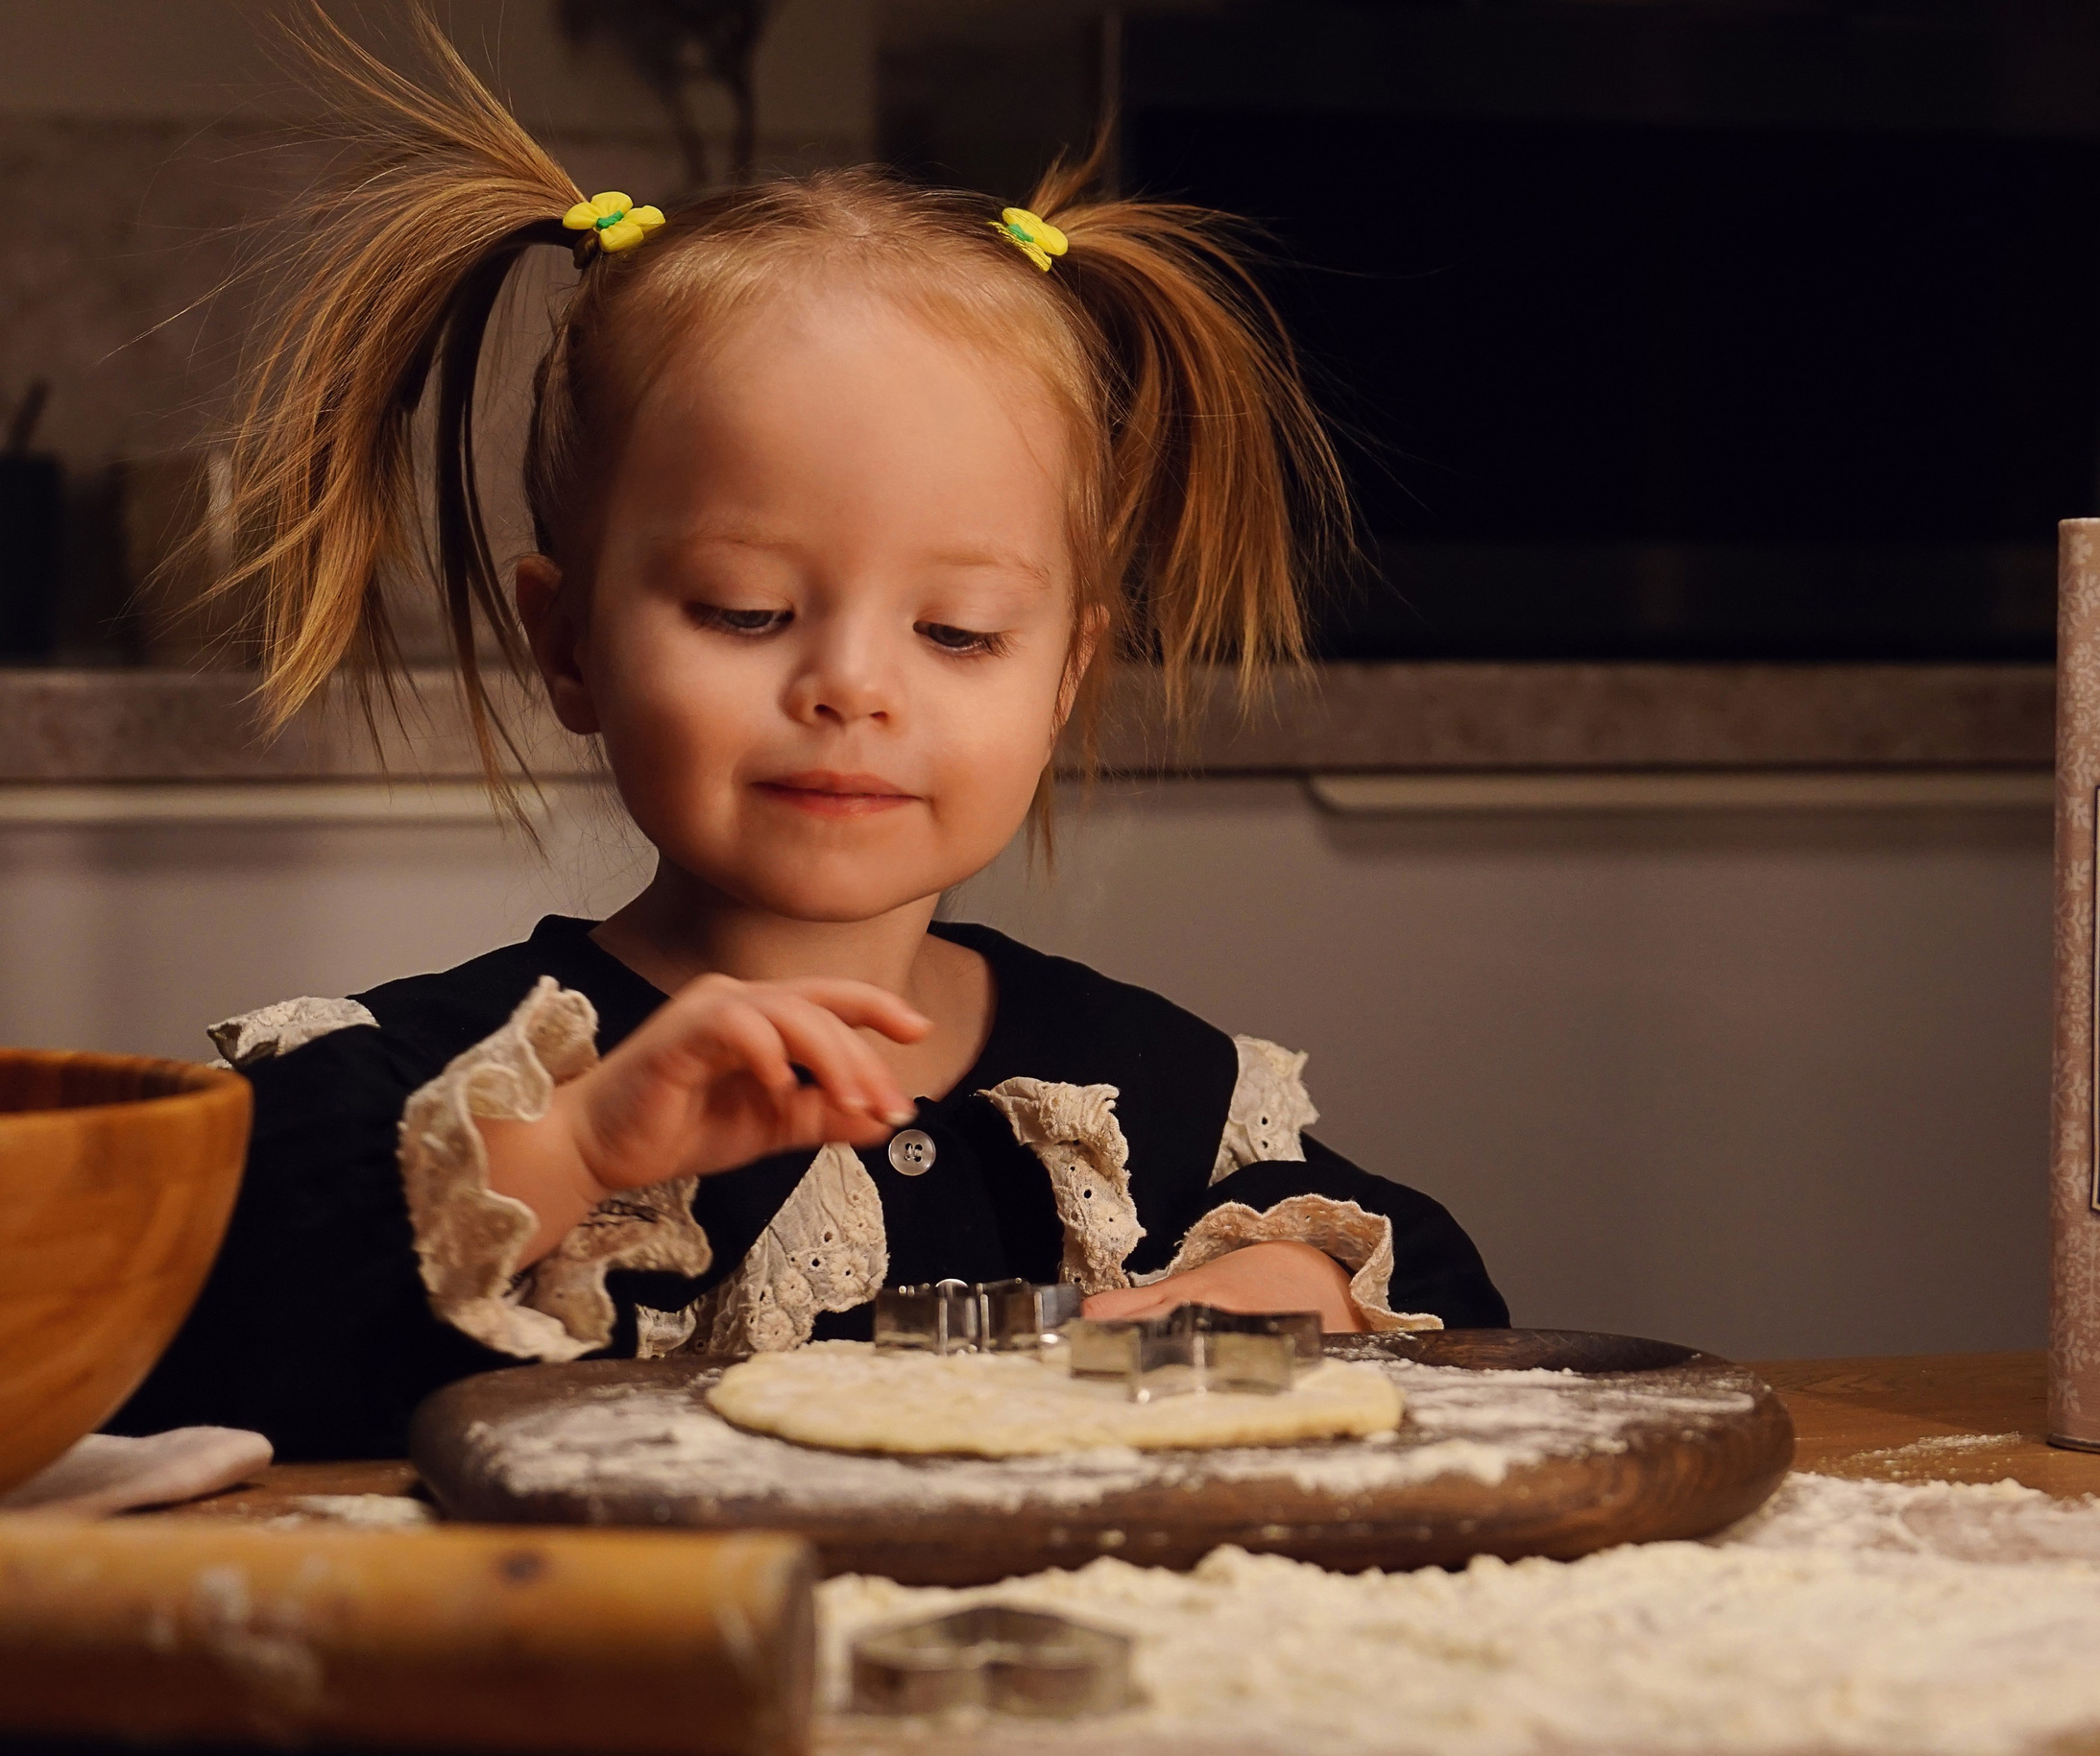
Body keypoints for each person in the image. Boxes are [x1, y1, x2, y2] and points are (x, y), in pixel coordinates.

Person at [113, 19, 1507, 1461]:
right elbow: (158, 1338)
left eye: (958, 630)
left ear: (1066, 676)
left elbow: (1464, 1312)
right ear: (571, 643)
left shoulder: (1155, 1099)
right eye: (745, 609)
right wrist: (574, 1147)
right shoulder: (417, 1085)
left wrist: (1293, 1284)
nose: (851, 685)